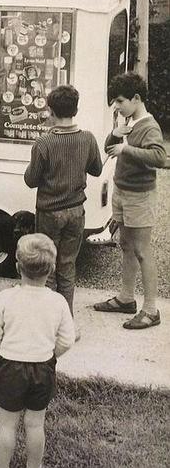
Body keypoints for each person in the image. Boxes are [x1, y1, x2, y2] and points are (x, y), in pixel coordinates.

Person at [0, 233, 75, 468]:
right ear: (52, 269)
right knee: (36, 424)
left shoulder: (5, 297)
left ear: (18, 267)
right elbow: (67, 339)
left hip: (8, 367)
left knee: (7, 425)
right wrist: (50, 355)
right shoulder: (58, 302)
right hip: (42, 368)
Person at [94, 72, 167, 329]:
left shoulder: (149, 125)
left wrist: (125, 148)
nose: (117, 106)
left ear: (136, 99)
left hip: (140, 195)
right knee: (125, 244)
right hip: (122, 191)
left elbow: (159, 157)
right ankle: (126, 298)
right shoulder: (130, 122)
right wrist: (115, 134)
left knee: (142, 251)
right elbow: (107, 147)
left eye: (120, 101)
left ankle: (151, 309)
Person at [24, 85, 102, 318]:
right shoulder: (87, 138)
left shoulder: (44, 143)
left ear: (51, 112)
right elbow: (96, 169)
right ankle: (65, 319)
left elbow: (31, 180)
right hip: (76, 210)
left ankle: (47, 319)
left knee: (47, 267)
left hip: (49, 212)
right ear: (75, 110)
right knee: (67, 266)